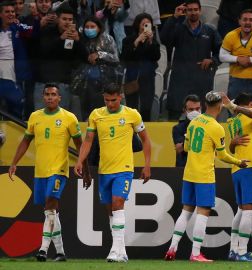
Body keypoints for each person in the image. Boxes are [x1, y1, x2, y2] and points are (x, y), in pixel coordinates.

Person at [9, 83, 90, 262]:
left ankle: (43, 249)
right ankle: (60, 252)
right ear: (43, 97)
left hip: (59, 169)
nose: (50, 97)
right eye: (47, 94)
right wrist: (14, 162)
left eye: (54, 94)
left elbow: (80, 144)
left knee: (51, 203)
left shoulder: (69, 118)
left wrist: (84, 167)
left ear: (59, 98)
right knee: (50, 211)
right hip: (41, 171)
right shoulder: (35, 117)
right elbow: (25, 141)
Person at [164, 91, 248, 262]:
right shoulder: (216, 127)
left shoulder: (193, 122)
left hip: (189, 173)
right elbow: (222, 155)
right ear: (220, 106)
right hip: (204, 175)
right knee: (203, 212)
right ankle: (195, 253)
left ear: (205, 104)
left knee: (186, 211)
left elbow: (186, 147)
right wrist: (238, 162)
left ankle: (172, 248)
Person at [74, 83, 152, 262]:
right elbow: (87, 141)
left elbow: (146, 140)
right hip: (104, 170)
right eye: (107, 100)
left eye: (114, 100)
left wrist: (147, 165)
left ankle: (114, 251)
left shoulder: (132, 114)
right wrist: (79, 160)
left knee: (118, 203)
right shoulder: (96, 115)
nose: (110, 104)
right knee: (110, 211)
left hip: (124, 169)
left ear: (121, 97)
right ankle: (121, 251)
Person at [223, 92, 252, 261]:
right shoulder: (250, 117)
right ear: (249, 105)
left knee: (240, 211)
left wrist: (232, 144)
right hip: (250, 166)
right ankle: (241, 252)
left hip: (237, 169)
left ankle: (233, 250)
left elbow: (232, 149)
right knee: (249, 211)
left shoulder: (231, 121)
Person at [161, 0, 221, 120]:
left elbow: (221, 51)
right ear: (185, 12)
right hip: (180, 80)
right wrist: (173, 18)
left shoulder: (209, 30)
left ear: (200, 11)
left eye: (195, 10)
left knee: (204, 117)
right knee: (175, 117)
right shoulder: (178, 29)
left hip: (202, 81)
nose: (193, 13)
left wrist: (212, 60)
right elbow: (165, 39)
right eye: (189, 10)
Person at [33, 5, 82, 112]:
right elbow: (43, 51)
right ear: (57, 19)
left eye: (70, 19)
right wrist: (61, 39)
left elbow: (80, 59)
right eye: (64, 19)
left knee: (60, 119)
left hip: (63, 83)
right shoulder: (47, 31)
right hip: (43, 82)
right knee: (41, 117)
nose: (67, 22)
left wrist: (78, 41)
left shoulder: (75, 35)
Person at [73, 16, 120, 120]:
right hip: (83, 84)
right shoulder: (80, 39)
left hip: (103, 84)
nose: (89, 29)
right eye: (87, 27)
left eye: (92, 26)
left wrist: (100, 54)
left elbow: (116, 58)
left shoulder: (108, 39)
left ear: (99, 28)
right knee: (85, 113)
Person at [219, 9, 252, 99]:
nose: (247, 22)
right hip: (235, 80)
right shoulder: (230, 36)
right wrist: (238, 59)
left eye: (251, 20)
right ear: (239, 21)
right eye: (245, 19)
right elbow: (222, 56)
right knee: (234, 110)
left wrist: (250, 60)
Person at [121, 12, 161, 121]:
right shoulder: (128, 40)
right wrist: (137, 41)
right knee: (132, 107)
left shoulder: (153, 41)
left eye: (148, 24)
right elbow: (125, 56)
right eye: (143, 24)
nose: (146, 26)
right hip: (133, 77)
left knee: (146, 107)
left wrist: (151, 41)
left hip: (148, 78)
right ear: (138, 24)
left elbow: (156, 56)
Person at [0, 1, 35, 119]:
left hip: (15, 77)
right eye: (7, 12)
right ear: (0, 14)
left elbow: (32, 31)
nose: (11, 14)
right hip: (1, 77)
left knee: (16, 111)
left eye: (12, 12)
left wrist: (34, 17)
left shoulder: (18, 28)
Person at [172, 94, 202, 167]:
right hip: (183, 169)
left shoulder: (209, 126)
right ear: (185, 111)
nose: (195, 112)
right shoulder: (178, 128)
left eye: (197, 109)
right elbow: (179, 149)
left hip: (204, 169)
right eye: (191, 109)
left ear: (201, 109)